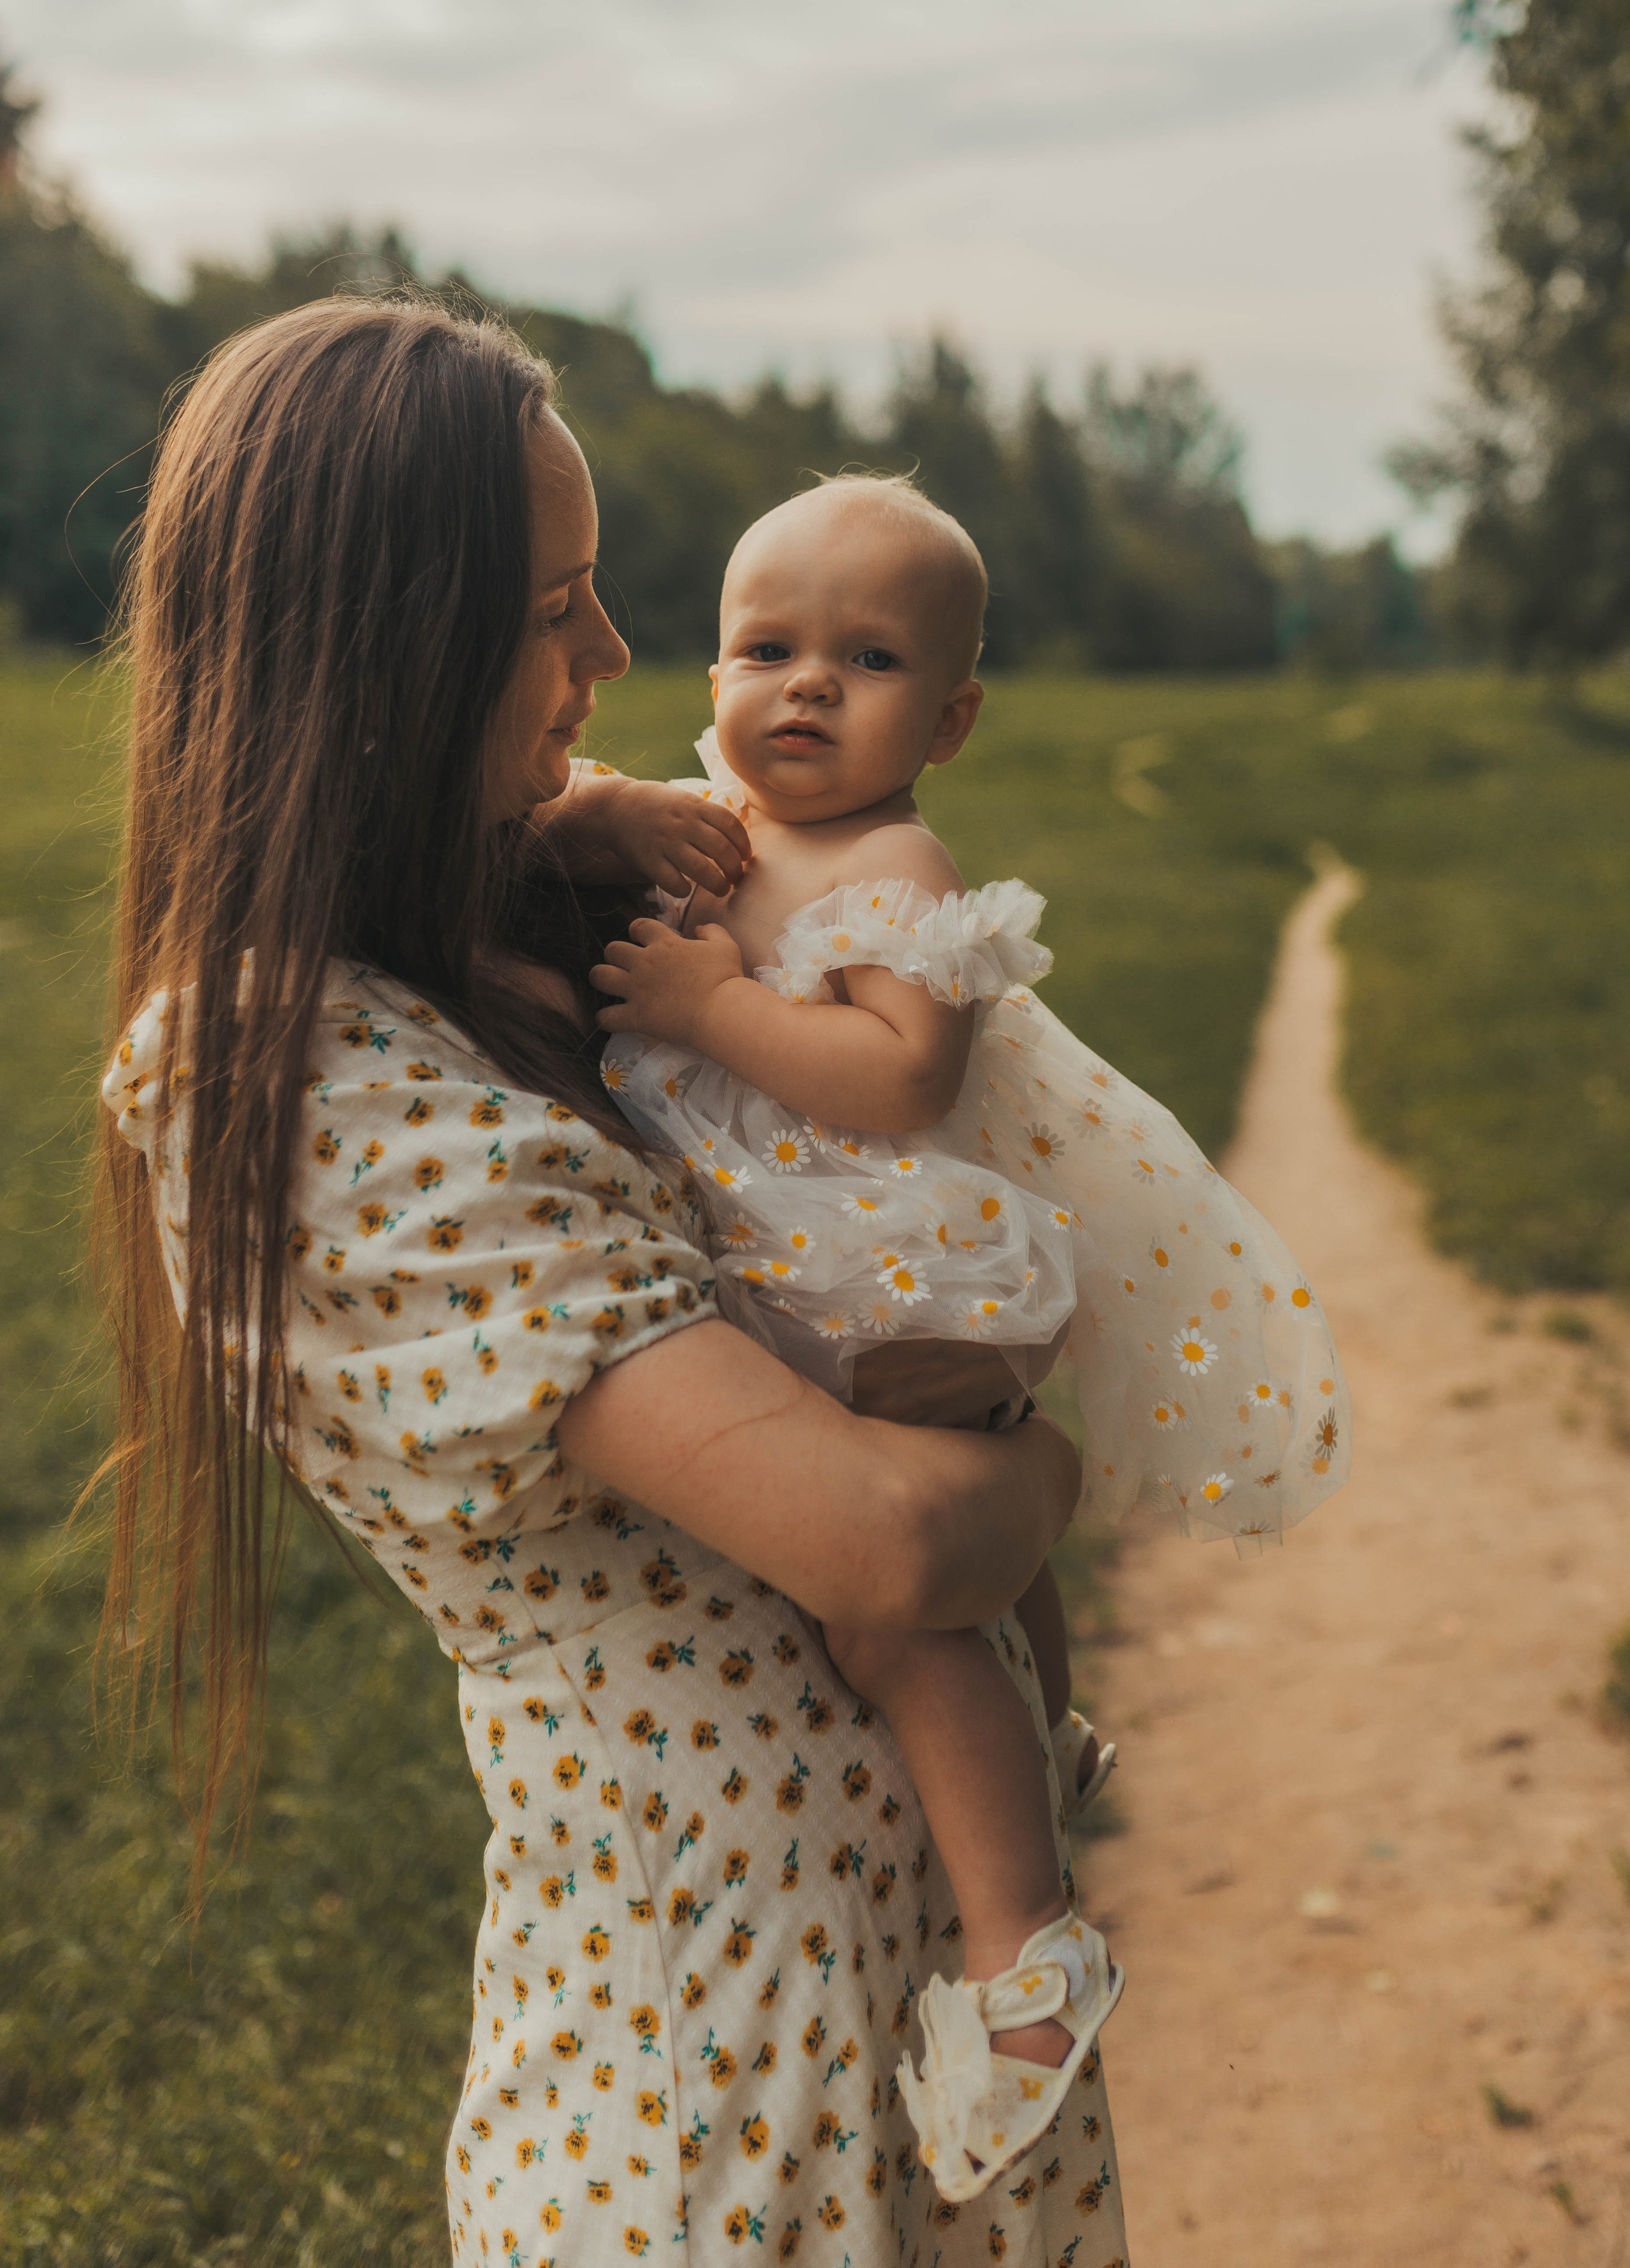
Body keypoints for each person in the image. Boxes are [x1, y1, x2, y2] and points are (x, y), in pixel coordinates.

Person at [96, 298, 1131, 2267]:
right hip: (718, 2074)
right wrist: (1041, 1474)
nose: (619, 658)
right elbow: (895, 1545)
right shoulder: (282, 1070)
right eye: (555, 607)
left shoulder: (512, 912)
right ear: (388, 648)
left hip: (885, 1985)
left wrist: (582, 828)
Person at [587, 475, 1352, 2197]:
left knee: (893, 1615)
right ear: (712, 673)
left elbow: (902, 1075)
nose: (806, 684)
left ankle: (1027, 1955)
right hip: (821, 1265)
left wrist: (715, 1002)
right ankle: (1048, 1734)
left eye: (867, 660)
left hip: (889, 1281)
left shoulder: (893, 866)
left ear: (950, 719)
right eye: (766, 648)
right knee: (969, 1546)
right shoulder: (723, 820)